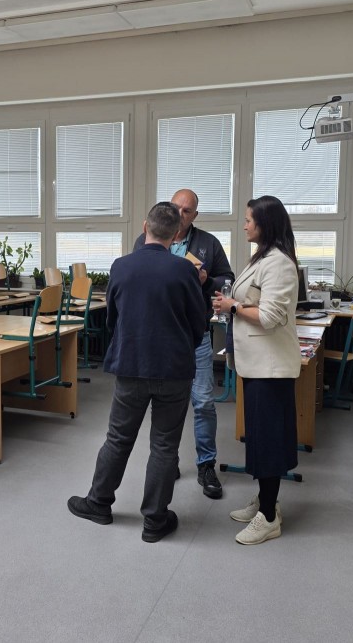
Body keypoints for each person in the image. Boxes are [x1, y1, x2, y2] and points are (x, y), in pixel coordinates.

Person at [68, 202, 205, 542]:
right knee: (164, 445)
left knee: (118, 438)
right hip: (174, 369)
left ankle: (98, 503)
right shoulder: (184, 271)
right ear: (177, 233)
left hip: (131, 366)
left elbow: (112, 319)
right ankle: (155, 520)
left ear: (145, 227)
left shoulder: (121, 266)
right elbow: (199, 324)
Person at [133, 188, 234, 499]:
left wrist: (207, 280)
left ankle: (206, 465)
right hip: (160, 337)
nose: (179, 213)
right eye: (176, 207)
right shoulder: (146, 239)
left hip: (196, 335)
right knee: (164, 403)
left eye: (186, 210)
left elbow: (227, 279)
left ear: (194, 216)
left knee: (203, 402)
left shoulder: (208, 243)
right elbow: (137, 275)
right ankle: (168, 461)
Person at [212, 196, 301, 545]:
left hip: (270, 368)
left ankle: (268, 518)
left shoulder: (278, 263)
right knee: (261, 438)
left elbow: (270, 316)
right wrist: (231, 304)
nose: (245, 225)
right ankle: (266, 501)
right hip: (256, 365)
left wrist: (232, 306)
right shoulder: (262, 258)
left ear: (265, 224)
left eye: (249, 219)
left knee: (269, 441)